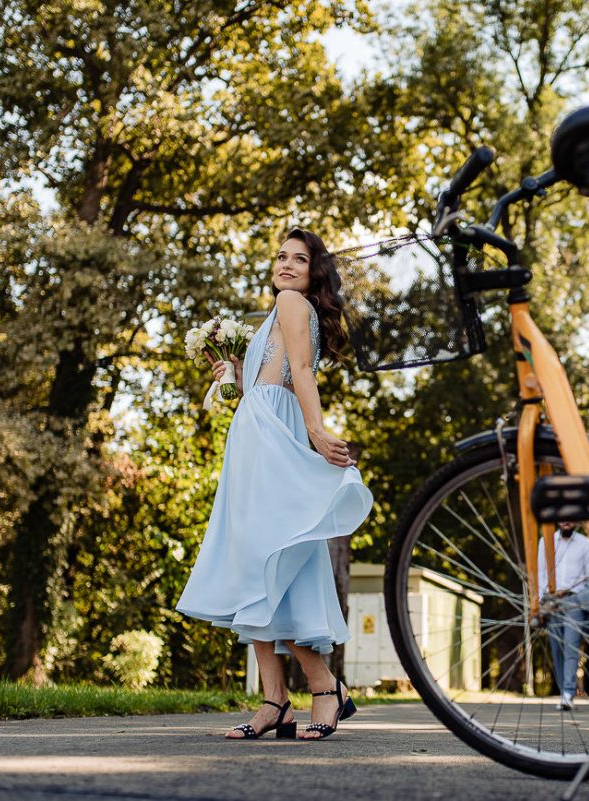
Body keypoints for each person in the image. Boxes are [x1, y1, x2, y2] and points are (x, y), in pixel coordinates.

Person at [176, 228, 372, 741]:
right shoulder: (277, 312)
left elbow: (302, 372)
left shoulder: (291, 301)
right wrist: (235, 371)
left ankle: (323, 688)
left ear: (313, 272)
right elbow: (272, 379)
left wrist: (315, 431)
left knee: (274, 558)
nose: (286, 265)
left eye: (299, 259)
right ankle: (275, 701)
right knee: (253, 562)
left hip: (274, 434)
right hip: (254, 433)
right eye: (281, 256)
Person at [536, 521, 589, 711]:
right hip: (551, 601)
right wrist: (541, 601)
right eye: (563, 517)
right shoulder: (545, 541)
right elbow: (540, 571)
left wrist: (579, 593)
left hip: (575, 601)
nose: (567, 521)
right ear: (558, 520)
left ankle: (568, 693)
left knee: (571, 646)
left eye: (571, 518)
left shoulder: (585, 543)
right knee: (556, 648)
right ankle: (563, 691)